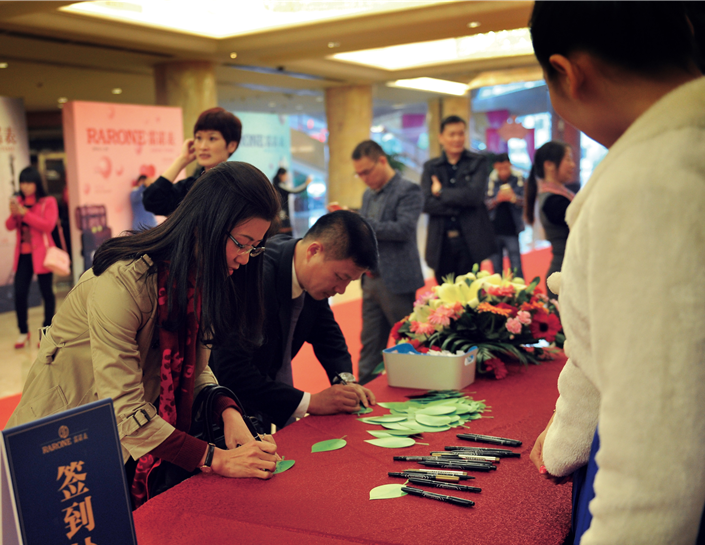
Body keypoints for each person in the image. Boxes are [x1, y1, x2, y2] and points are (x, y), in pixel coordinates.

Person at [525, 2, 705, 545]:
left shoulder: (656, 177)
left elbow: (657, 418)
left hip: (693, 505)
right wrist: (566, 439)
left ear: (570, 73)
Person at [0, 162, 282, 524]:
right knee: (58, 542)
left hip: (117, 446)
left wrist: (229, 413)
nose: (245, 258)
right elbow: (126, 410)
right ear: (207, 223)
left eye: (255, 247)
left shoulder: (200, 280)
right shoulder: (122, 284)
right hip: (60, 443)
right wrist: (216, 459)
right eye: (242, 243)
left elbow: (196, 368)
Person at [211, 210, 378, 431]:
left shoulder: (309, 276)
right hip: (224, 411)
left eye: (350, 282)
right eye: (340, 277)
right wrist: (312, 402)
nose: (341, 290)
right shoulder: (256, 278)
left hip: (263, 400)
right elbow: (232, 372)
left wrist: (345, 381)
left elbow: (328, 336)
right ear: (314, 251)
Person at [349, 140, 425, 381]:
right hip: (371, 278)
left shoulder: (408, 189)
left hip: (397, 278)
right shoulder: (368, 194)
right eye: (359, 174)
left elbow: (403, 229)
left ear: (382, 161)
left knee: (408, 342)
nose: (364, 178)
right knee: (370, 345)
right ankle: (363, 392)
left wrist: (360, 222)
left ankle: (418, 386)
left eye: (367, 172)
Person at [421, 116, 497, 282]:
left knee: (470, 292)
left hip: (470, 241)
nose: (457, 139)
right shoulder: (431, 167)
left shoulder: (478, 162)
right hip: (441, 242)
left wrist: (441, 192)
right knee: (443, 292)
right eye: (452, 134)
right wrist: (461, 203)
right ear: (441, 137)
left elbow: (474, 197)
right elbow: (425, 203)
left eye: (461, 133)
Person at [142, 107, 242, 216]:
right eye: (199, 138)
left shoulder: (240, 187)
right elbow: (151, 201)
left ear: (232, 145)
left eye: (212, 138)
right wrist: (182, 160)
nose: (203, 146)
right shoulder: (189, 187)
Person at [6, 166, 58, 349]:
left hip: (43, 255)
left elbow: (48, 225)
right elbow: (9, 226)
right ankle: (23, 331)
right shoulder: (19, 201)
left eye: (28, 182)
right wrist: (14, 214)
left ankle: (47, 332)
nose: (25, 186)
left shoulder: (47, 202)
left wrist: (25, 214)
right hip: (23, 255)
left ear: (36, 183)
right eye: (22, 182)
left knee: (46, 293)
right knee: (19, 293)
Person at [525, 141, 575, 294]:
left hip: (567, 271)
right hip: (564, 274)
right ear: (549, 165)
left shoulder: (557, 196)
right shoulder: (554, 201)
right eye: (568, 159)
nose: (572, 165)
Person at [485, 153, 526, 279]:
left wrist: (513, 198)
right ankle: (499, 290)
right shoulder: (489, 181)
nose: (503, 172)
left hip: (512, 229)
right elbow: (483, 205)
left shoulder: (519, 179)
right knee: (496, 268)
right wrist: (497, 199)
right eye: (500, 168)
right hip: (493, 230)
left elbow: (527, 202)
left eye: (506, 168)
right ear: (495, 167)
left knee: (516, 265)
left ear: (510, 165)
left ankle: (519, 289)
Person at [272, 167, 312, 236]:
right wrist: (306, 184)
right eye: (285, 175)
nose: (286, 177)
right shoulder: (280, 186)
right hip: (282, 212)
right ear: (281, 175)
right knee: (284, 229)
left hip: (280, 211)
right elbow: (294, 191)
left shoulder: (276, 185)